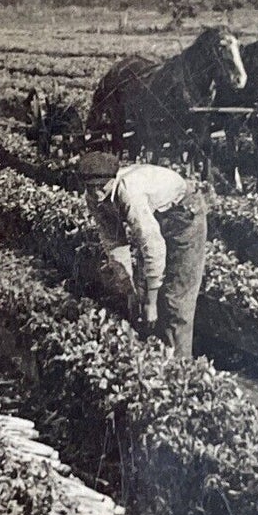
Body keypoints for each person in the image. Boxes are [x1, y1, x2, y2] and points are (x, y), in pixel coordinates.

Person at [78, 151, 208, 359]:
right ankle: (152, 358)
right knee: (140, 289)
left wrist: (151, 303)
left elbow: (152, 246)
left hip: (183, 217)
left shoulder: (131, 193)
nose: (95, 192)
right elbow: (114, 243)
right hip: (155, 214)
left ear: (113, 178)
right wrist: (129, 289)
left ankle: (181, 368)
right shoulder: (94, 198)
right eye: (90, 187)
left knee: (175, 299)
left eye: (101, 185)